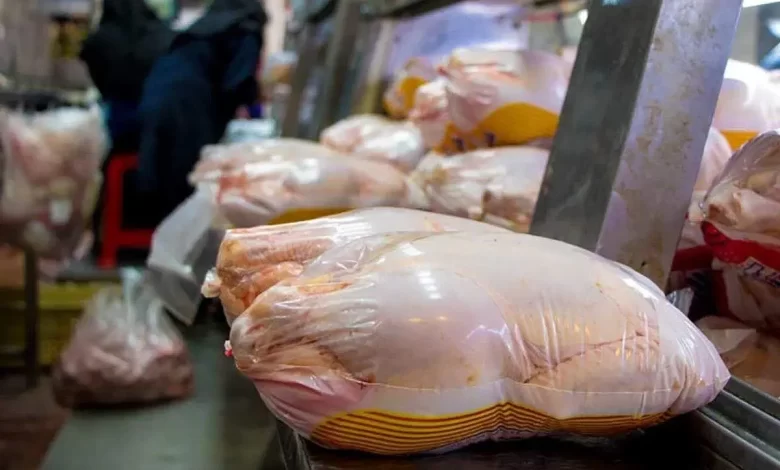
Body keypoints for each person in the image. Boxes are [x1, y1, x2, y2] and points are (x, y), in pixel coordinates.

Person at [137, 0, 267, 219]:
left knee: (165, 187)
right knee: (187, 189)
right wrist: (253, 104)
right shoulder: (246, 23)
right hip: (189, 111)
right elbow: (238, 82)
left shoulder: (210, 22)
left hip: (156, 103)